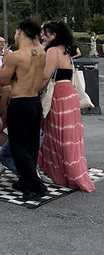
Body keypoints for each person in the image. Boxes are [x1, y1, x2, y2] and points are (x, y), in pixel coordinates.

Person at [38, 21, 95, 192]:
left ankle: (59, 173)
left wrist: (33, 90)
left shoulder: (52, 51)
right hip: (70, 94)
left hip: (59, 95)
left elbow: (45, 76)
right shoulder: (65, 50)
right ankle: (73, 173)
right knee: (70, 137)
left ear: (53, 35)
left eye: (44, 33)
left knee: (55, 135)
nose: (42, 36)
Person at [0, 19, 47, 201]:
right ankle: (27, 180)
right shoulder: (41, 52)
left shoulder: (16, 56)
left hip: (20, 102)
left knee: (18, 147)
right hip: (35, 100)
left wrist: (5, 60)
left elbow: (3, 79)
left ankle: (35, 186)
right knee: (32, 145)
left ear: (19, 32)